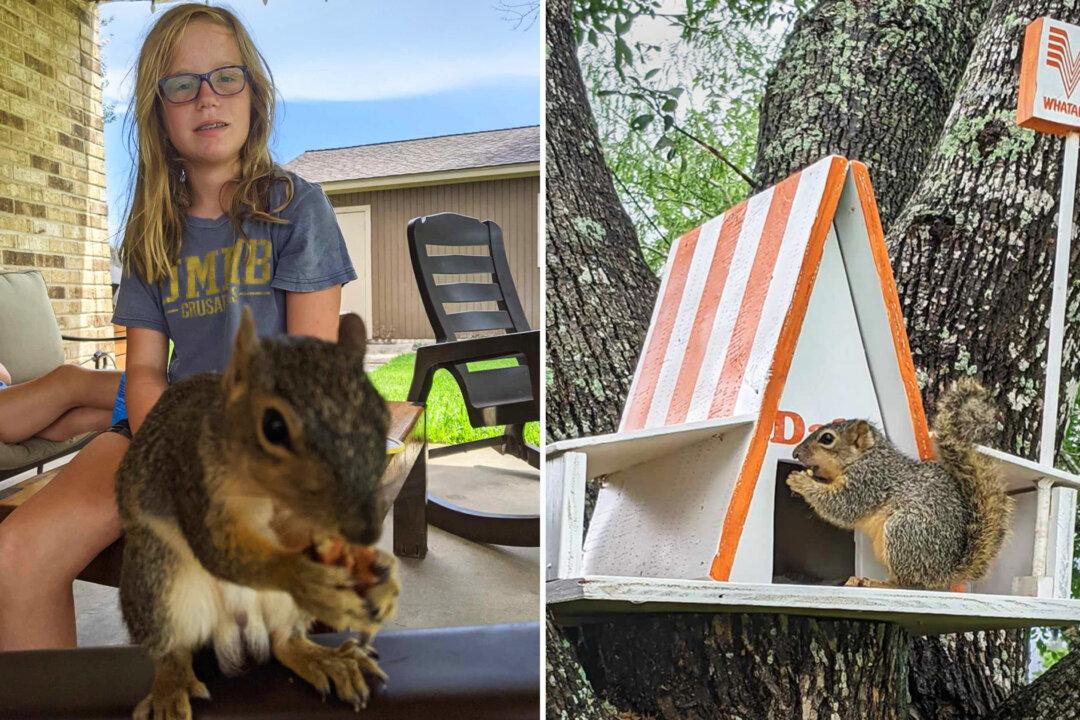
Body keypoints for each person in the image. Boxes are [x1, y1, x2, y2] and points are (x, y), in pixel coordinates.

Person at [0, 3, 356, 651]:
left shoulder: (297, 210)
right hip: (158, 435)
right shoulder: (150, 233)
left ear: (255, 92)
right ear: (158, 115)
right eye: (181, 85)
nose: (205, 98)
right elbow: (141, 370)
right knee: (15, 554)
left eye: (226, 77)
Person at [0, 362, 123, 444]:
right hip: (7, 414)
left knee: (106, 413)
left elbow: (6, 377)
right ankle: (141, 388)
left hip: (12, 411)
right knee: (68, 379)